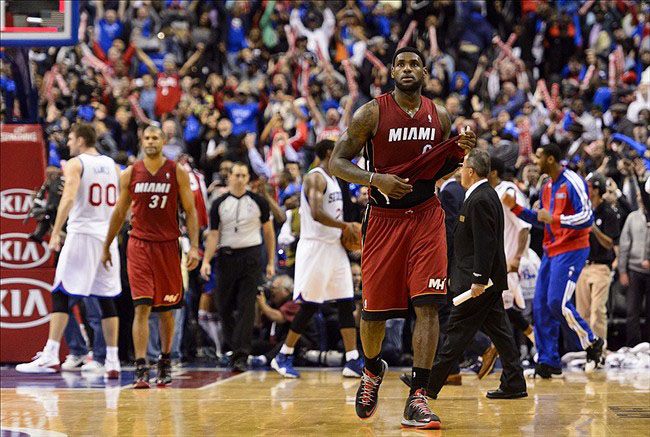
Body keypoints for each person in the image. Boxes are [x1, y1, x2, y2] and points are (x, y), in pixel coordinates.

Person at [331, 47, 476, 430]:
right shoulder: (371, 112)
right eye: (401, 64)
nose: (408, 68)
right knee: (374, 312)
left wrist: (460, 152)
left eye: (415, 64)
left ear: (425, 72)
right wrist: (375, 179)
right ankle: (371, 368)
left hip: (427, 216)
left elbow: (442, 162)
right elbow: (337, 162)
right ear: (391, 71)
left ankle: (419, 397)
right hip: (382, 219)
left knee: (427, 306)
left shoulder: (440, 115)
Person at [17, 123, 122, 380]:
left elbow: (69, 196)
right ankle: (112, 360)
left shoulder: (76, 163)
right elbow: (123, 204)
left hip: (82, 234)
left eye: (72, 139)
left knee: (61, 291)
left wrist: (55, 231)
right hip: (106, 238)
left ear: (82, 141)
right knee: (106, 298)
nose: (69, 143)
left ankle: (51, 353)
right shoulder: (113, 166)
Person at [102, 126, 200, 388]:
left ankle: (165, 359)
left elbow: (190, 211)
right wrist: (107, 245)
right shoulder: (131, 172)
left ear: (164, 141)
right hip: (140, 245)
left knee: (166, 310)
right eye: (146, 137)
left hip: (168, 245)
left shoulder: (176, 170)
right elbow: (120, 211)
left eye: (155, 137)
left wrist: (194, 247)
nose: (151, 141)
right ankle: (141, 366)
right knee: (142, 307)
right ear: (141, 141)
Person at [427, 149, 528, 400]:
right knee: (502, 334)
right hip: (487, 280)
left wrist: (479, 280)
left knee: (455, 332)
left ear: (470, 172)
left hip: (480, 281)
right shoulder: (485, 194)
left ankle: (428, 386)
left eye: (462, 168)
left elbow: (486, 243)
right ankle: (514, 381)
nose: (460, 172)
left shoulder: (481, 198)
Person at [502, 143, 605, 377]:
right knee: (541, 307)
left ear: (549, 159)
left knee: (557, 302)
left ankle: (592, 342)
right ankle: (548, 361)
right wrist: (517, 208)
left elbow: (587, 217)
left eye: (538, 156)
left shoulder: (573, 181)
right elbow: (543, 220)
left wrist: (556, 219)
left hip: (572, 248)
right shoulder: (547, 187)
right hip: (552, 249)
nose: (534, 161)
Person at [269, 140, 363, 379]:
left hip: (333, 247)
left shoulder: (334, 179)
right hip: (315, 248)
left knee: (345, 301)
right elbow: (316, 212)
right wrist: (346, 226)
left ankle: (352, 360)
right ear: (330, 152)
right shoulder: (315, 177)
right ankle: (283, 355)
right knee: (310, 305)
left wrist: (342, 232)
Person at [200, 162, 276, 372]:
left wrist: (270, 262)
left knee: (246, 306)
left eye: (244, 175)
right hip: (226, 256)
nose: (240, 179)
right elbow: (214, 234)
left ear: (248, 178)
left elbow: (268, 232)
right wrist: (206, 261)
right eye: (237, 175)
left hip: (251, 256)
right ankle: (235, 348)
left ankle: (241, 355)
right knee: (223, 305)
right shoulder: (220, 203)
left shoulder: (258, 201)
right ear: (230, 177)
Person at [575, 173, 621, 341]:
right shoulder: (583, 210)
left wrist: (593, 228)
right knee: (582, 311)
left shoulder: (608, 212)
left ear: (596, 190)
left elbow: (610, 243)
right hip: (583, 265)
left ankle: (599, 349)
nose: (587, 190)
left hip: (601, 266)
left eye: (589, 187)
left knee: (597, 310)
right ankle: (586, 348)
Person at [618, 193, 650, 346]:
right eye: (637, 195)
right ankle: (633, 346)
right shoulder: (632, 217)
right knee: (632, 311)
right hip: (634, 270)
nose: (640, 198)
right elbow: (624, 245)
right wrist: (622, 270)